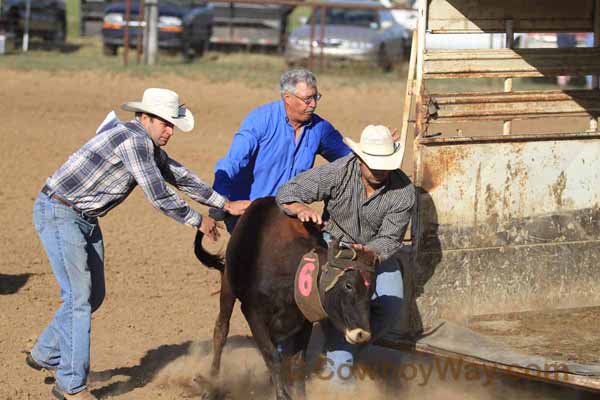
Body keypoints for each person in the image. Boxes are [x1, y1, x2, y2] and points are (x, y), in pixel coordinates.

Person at [27, 88, 249, 400]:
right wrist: (198, 220)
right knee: (79, 298)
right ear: (144, 117)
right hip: (60, 212)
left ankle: (45, 352)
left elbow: (179, 176)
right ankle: (70, 385)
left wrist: (225, 205)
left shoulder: (145, 142)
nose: (170, 130)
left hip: (83, 217)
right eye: (165, 123)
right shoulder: (133, 141)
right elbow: (157, 193)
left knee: (93, 295)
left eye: (173, 124)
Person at [275, 124, 415, 387]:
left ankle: (341, 350)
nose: (379, 170)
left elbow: (390, 238)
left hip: (375, 252)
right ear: (359, 159)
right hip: (333, 245)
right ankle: (336, 360)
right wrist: (300, 207)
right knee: (332, 297)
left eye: (385, 164)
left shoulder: (403, 191)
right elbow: (286, 192)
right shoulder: (338, 172)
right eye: (373, 163)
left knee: (391, 304)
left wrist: (369, 252)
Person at [211, 68, 351, 232]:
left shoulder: (320, 129)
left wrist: (381, 152)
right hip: (249, 212)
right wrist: (219, 203)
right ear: (287, 98)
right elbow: (232, 162)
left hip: (290, 213)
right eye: (307, 99)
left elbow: (349, 159)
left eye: (316, 97)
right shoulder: (260, 120)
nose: (313, 104)